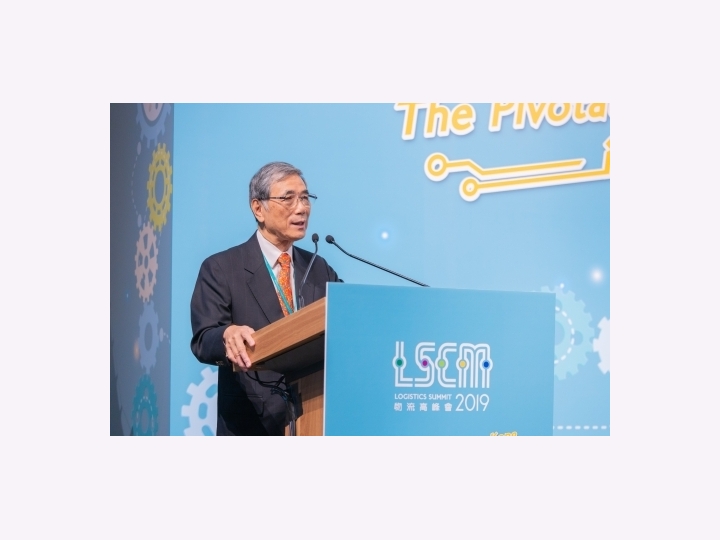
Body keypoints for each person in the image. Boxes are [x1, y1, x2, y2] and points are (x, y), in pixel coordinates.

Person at [190, 162, 341, 435]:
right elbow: (203, 339)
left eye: (305, 198)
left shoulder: (319, 268)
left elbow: (345, 322)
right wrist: (227, 334)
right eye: (288, 198)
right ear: (258, 208)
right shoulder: (222, 268)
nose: (301, 208)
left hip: (315, 418)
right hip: (252, 424)